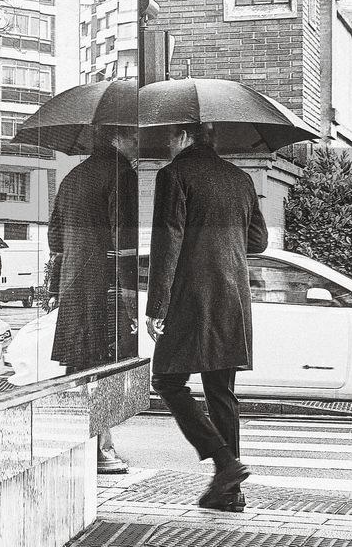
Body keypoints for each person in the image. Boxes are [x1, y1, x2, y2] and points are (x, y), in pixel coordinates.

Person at [146, 123, 269, 512]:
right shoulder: (240, 179)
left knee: (167, 380)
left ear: (184, 136)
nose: (167, 144)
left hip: (190, 297)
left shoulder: (174, 174)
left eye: (170, 137)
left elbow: (168, 241)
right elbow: (259, 240)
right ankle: (228, 493)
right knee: (221, 392)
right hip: (232, 296)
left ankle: (225, 462)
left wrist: (156, 307)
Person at [47, 125, 139, 475]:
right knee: (106, 368)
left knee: (80, 368)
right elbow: (124, 236)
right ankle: (102, 449)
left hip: (74, 283)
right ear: (118, 138)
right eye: (133, 138)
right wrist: (130, 290)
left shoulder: (72, 177)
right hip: (106, 283)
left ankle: (81, 447)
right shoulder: (122, 173)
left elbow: (55, 237)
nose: (137, 145)